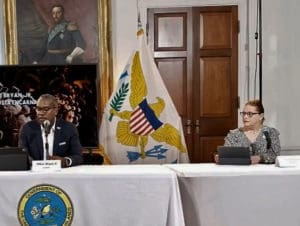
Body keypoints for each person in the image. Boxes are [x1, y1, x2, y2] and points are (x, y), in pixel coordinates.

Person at [18, 94, 83, 167]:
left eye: (45, 109)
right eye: (38, 109)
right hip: (35, 174)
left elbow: (78, 156)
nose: (41, 113)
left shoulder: (69, 128)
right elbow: (22, 155)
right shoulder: (27, 128)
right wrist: (36, 164)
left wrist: (65, 161)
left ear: (56, 111)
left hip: (61, 174)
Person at [215, 99, 281, 164]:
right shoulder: (234, 134)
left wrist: (260, 158)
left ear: (261, 116)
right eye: (243, 113)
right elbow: (227, 155)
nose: (245, 117)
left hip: (265, 173)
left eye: (250, 114)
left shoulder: (270, 132)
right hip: (240, 172)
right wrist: (221, 158)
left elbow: (275, 155)